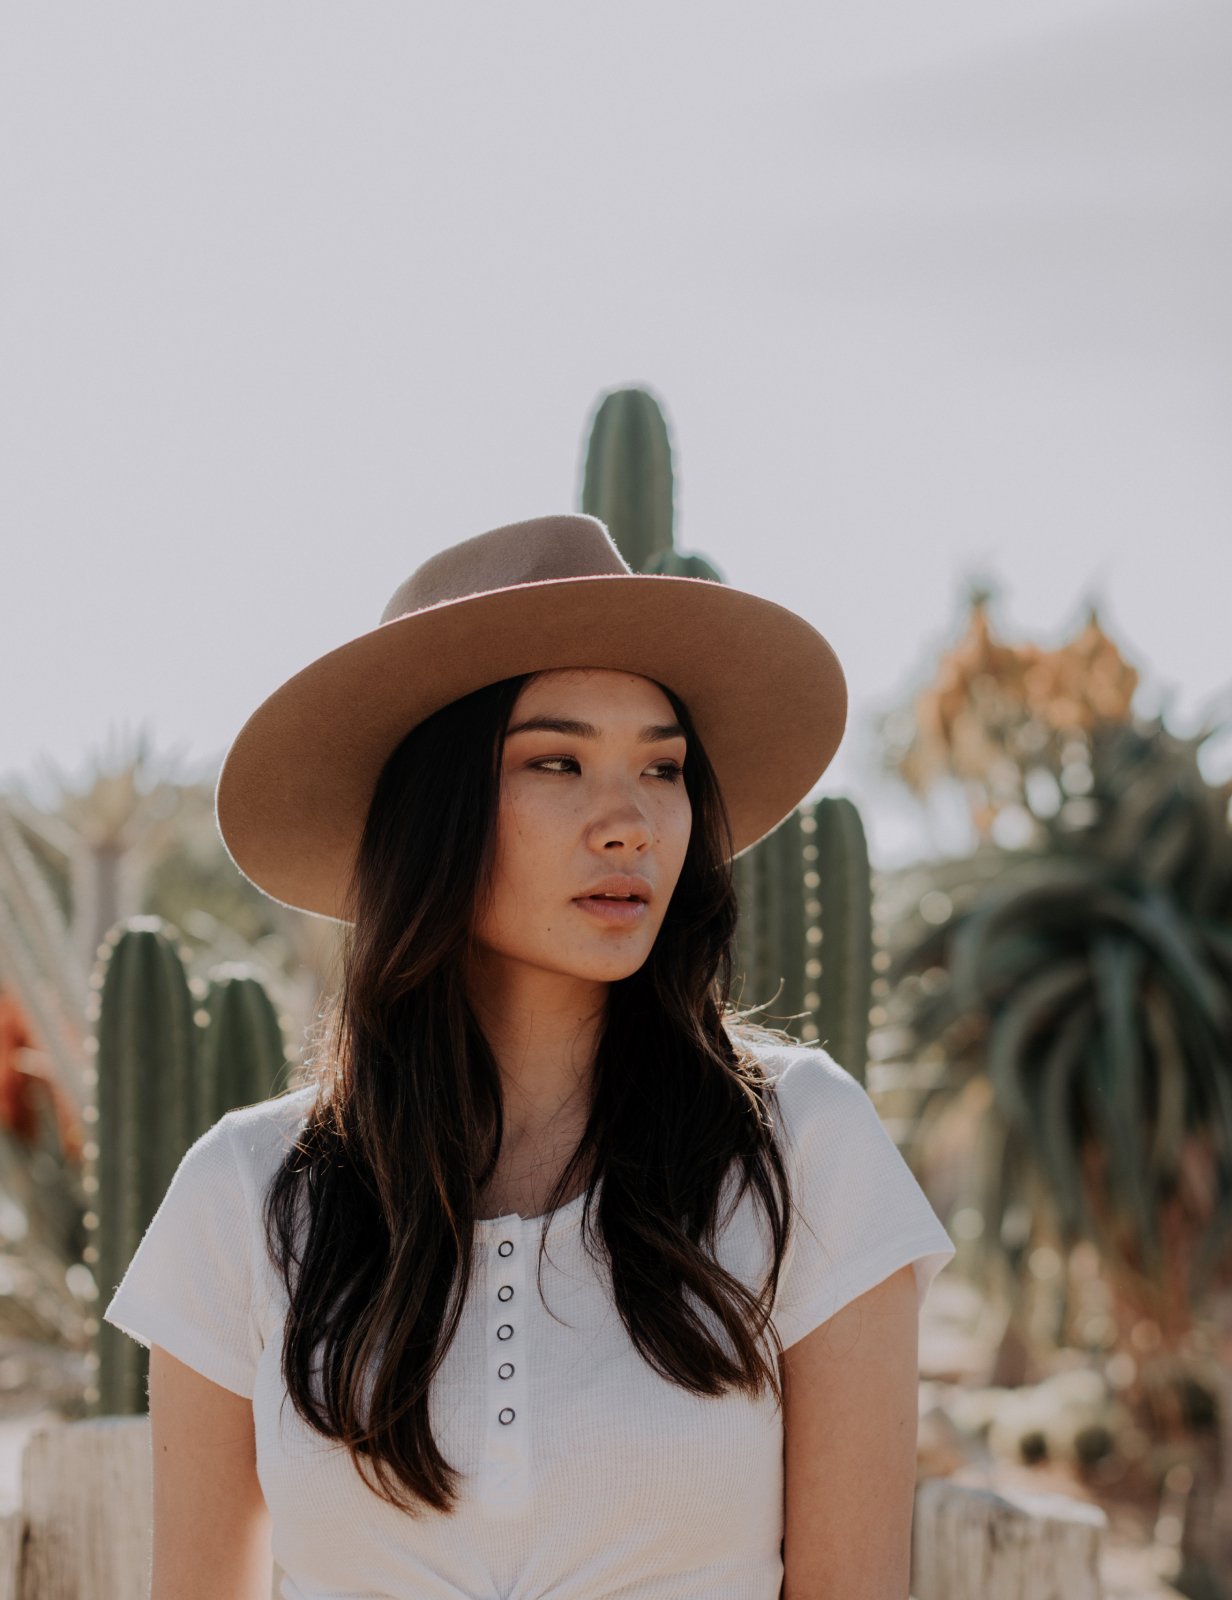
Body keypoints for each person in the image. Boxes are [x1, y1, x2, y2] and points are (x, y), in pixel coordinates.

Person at [103, 513, 956, 1600]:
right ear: (432, 811)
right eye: (557, 759)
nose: (628, 821)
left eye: (661, 766)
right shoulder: (245, 1192)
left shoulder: (800, 1147)